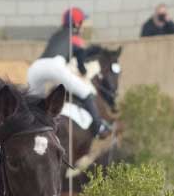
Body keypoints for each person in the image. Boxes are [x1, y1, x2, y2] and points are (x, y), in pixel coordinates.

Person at [26, 7, 111, 137]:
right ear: (77, 24)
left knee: (36, 104)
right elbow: (81, 55)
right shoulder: (75, 37)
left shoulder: (56, 35)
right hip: (55, 65)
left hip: (35, 68)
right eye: (82, 22)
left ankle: (27, 128)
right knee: (86, 92)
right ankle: (98, 126)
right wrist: (83, 70)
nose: (83, 26)